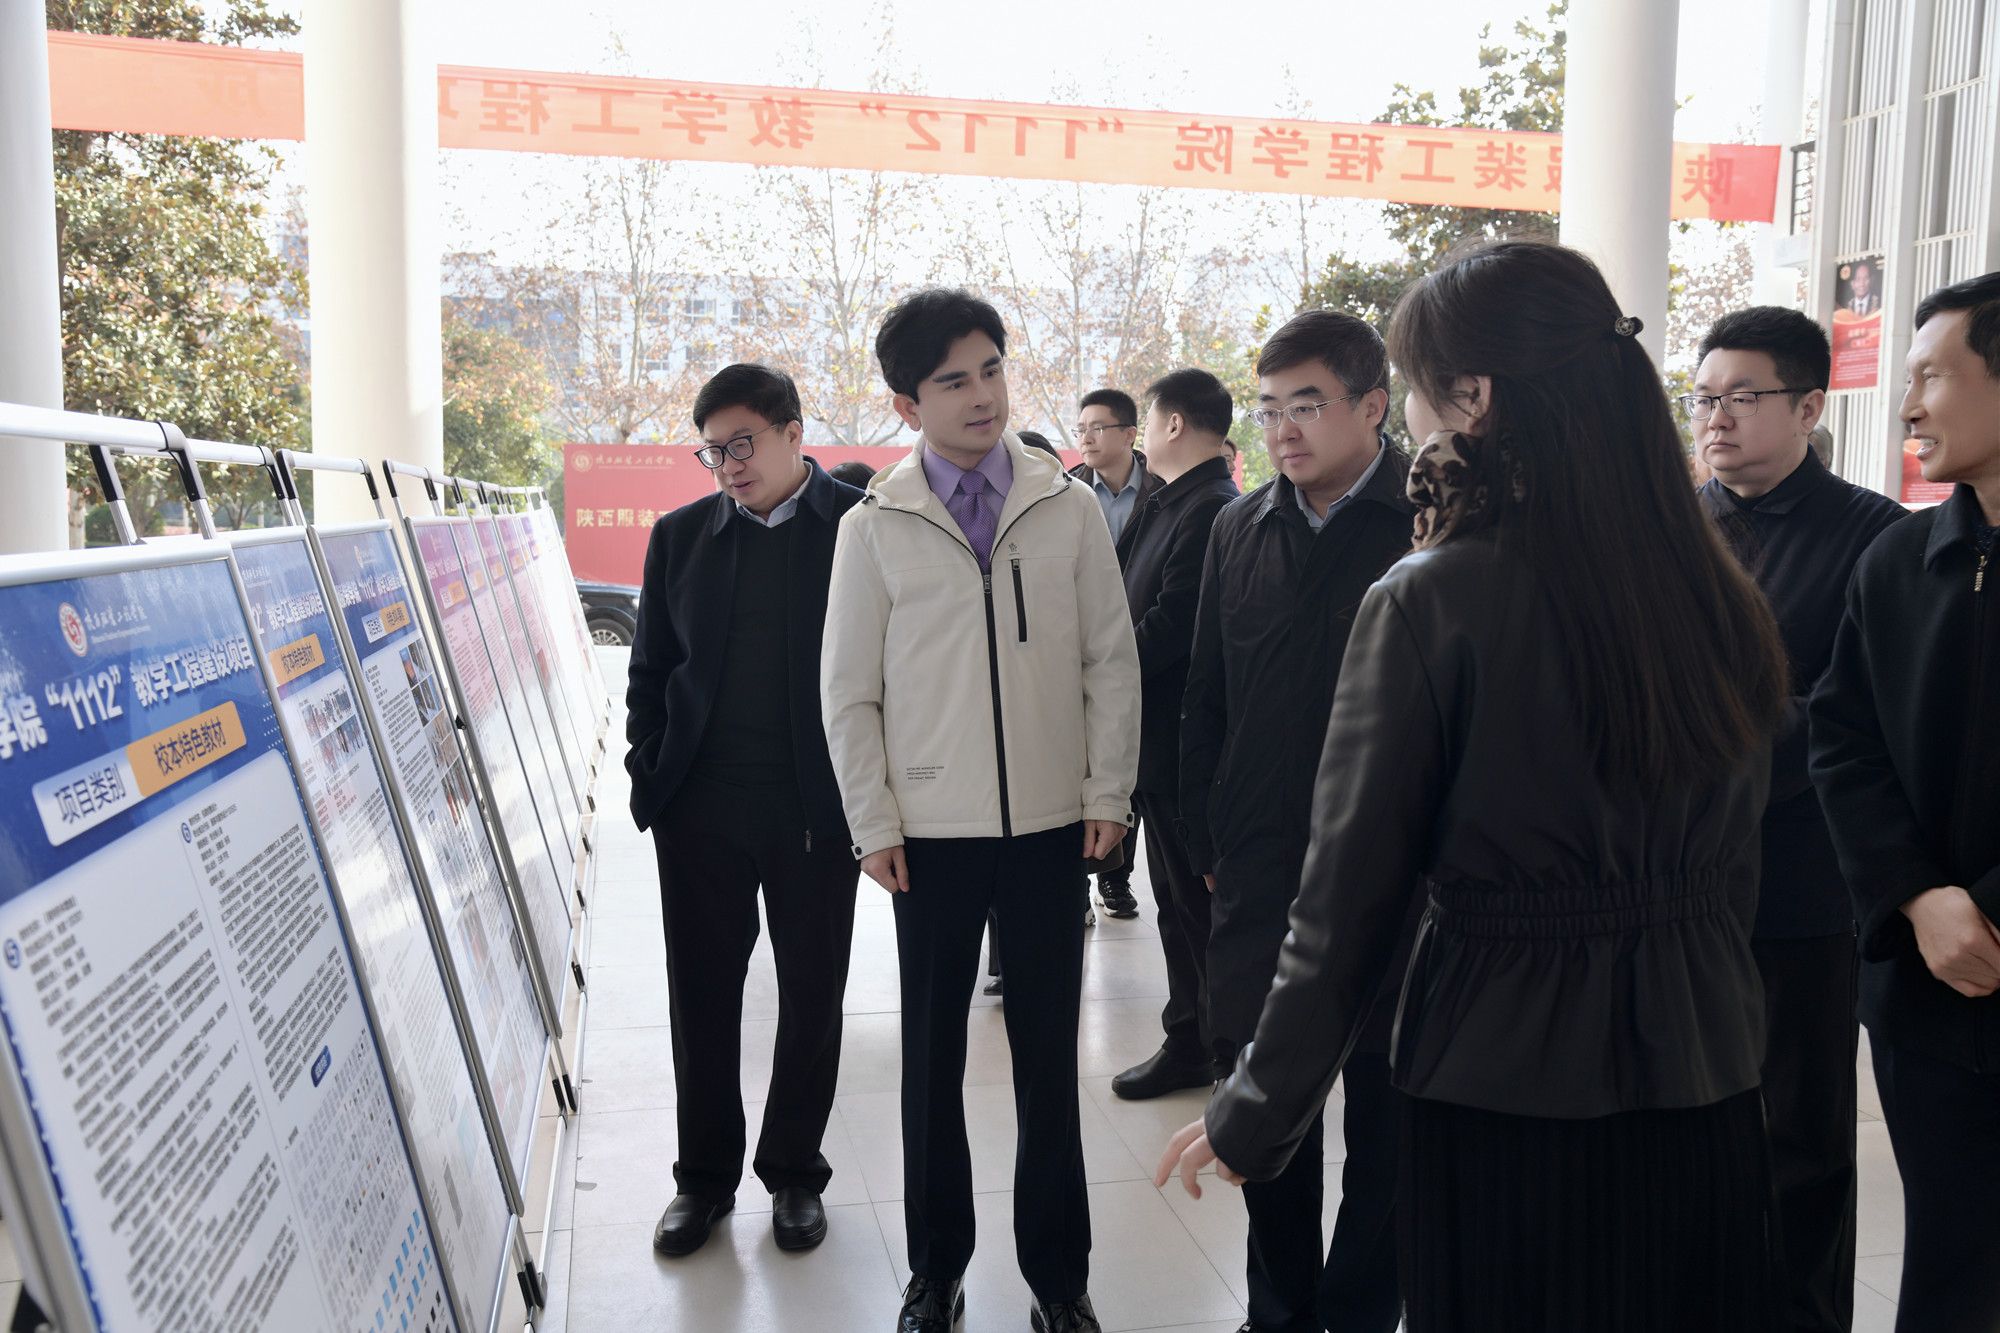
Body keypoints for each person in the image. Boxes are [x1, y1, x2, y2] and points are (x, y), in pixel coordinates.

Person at [1160, 241, 1791, 1333]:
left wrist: (1254, 1108)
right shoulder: (1713, 587)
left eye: (1414, 384)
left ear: (1474, 396)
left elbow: (1345, 908)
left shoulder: (1431, 596)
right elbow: (1737, 866)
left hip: (1502, 1078)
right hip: (1707, 1069)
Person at [821, 288, 1140, 1333]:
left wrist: (1106, 789)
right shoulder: (873, 526)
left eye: (992, 369)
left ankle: (1058, 1278)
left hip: (1051, 827)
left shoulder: (1067, 507)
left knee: (1049, 1062)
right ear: (907, 403)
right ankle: (935, 1271)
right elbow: (848, 691)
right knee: (930, 1065)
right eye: (953, 379)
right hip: (928, 840)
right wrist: (873, 821)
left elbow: (1109, 660)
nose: (981, 394)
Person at [1175, 310, 1416, 1333]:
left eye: (1306, 405)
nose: (1281, 429)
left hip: (1402, 874)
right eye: (1269, 408)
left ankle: (1357, 1313)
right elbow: (1207, 694)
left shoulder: (1429, 519)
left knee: (1391, 1117)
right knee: (1260, 1098)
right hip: (1264, 866)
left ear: (1373, 405)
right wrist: (1207, 837)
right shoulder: (1239, 526)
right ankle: (1278, 1310)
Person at [1688, 306, 1906, 1333]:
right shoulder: (1668, 528)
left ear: (1810, 406)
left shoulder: (1875, 538)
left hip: (1799, 888)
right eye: (1702, 398)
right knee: (1688, 1132)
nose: (1716, 418)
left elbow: (1851, 715)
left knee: (1799, 1141)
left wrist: (1694, 749)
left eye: (1743, 396)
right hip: (1673, 887)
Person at [624, 363, 866, 1258]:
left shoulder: (860, 527)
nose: (728, 464)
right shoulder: (680, 535)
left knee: (812, 993)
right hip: (700, 809)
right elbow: (650, 668)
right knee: (702, 995)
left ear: (793, 433)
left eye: (742, 444)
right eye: (712, 450)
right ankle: (703, 1178)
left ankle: (795, 1170)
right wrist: (652, 767)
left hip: (816, 810)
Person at [1809, 270, 2000, 1333]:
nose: (1906, 404)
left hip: (1977, 948)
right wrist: (1920, 897)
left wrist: (1984, 909)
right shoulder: (1897, 560)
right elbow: (1843, 742)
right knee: (1950, 1258)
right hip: (1924, 989)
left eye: (1930, 374)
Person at [1106, 368, 1240, 1101]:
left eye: (1150, 419)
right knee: (1175, 904)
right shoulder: (1171, 500)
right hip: (1157, 742)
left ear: (1175, 423)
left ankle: (1221, 1053)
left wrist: (1097, 668)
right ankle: (1190, 1036)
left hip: (1189, 746)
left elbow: (1172, 625)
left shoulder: (1211, 507)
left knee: (1200, 909)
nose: (1144, 433)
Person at [1065, 390, 1153, 921]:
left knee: (1127, 772)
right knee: (1082, 769)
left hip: (1144, 647)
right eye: (1081, 429)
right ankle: (1077, 883)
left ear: (1129, 434)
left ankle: (1116, 880)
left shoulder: (1160, 492)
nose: (1087, 438)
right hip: (1080, 652)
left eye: (1098, 427)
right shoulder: (1066, 493)